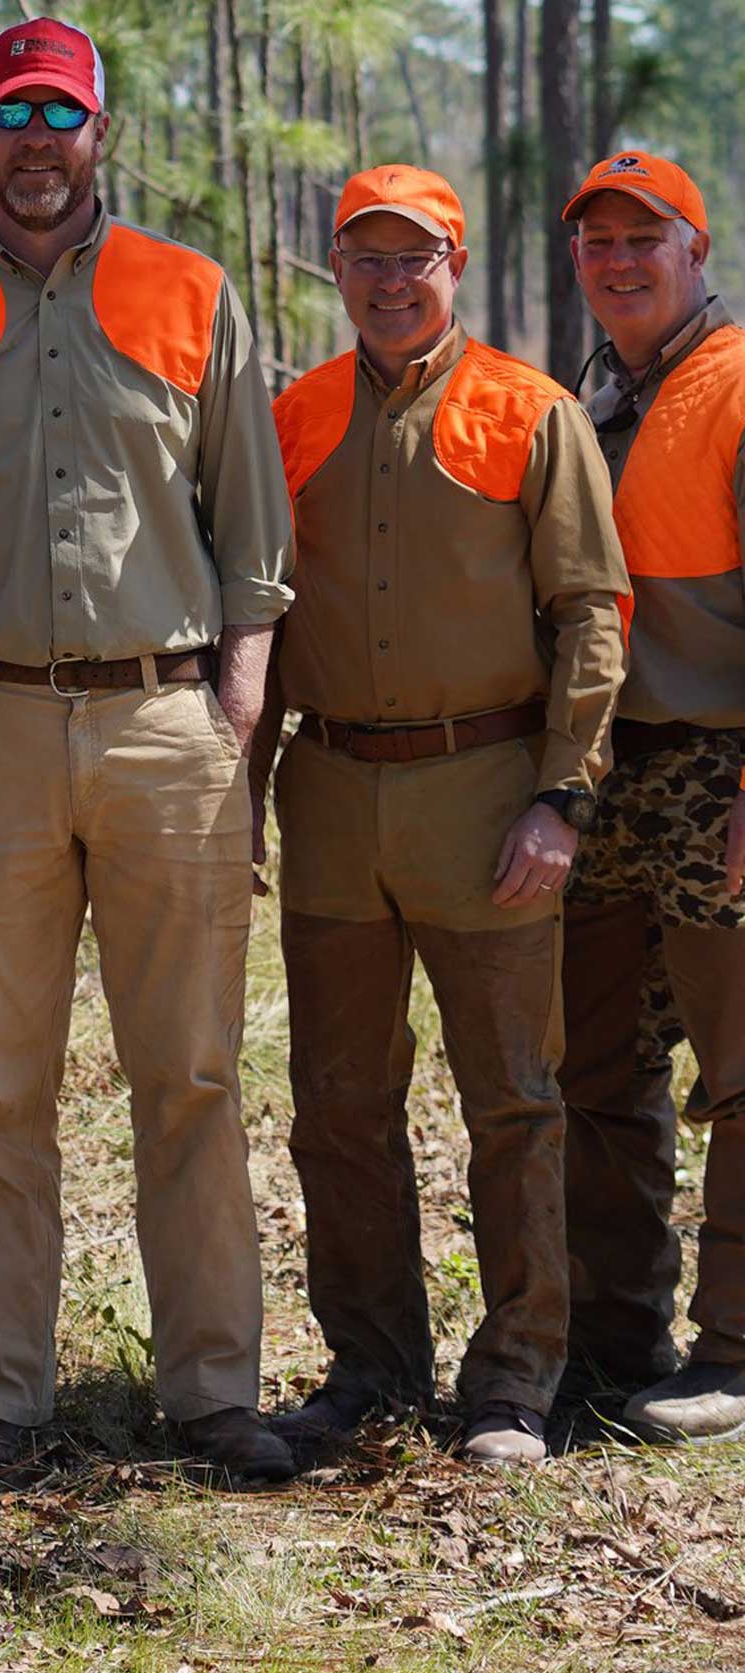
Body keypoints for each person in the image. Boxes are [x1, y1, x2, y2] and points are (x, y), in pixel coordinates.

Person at [0, 16, 296, 1483]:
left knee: (194, 1076)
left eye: (62, 117)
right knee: (1, 1087)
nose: (38, 145)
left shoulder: (188, 292)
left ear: (100, 132)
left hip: (170, 726)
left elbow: (256, 549)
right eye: (13, 117)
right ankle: (0, 1399)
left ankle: (215, 1390)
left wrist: (227, 723)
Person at [265, 166, 629, 1469]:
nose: (389, 280)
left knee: (515, 1100)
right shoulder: (293, 415)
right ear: (339, 271)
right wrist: (240, 797)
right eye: (365, 258)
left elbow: (593, 610)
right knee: (337, 1104)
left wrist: (559, 795)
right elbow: (256, 617)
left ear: (454, 265)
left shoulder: (530, 413)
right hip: (332, 796)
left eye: (413, 257)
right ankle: (368, 1366)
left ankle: (515, 1381)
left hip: (489, 797)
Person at [562, 149, 745, 1444]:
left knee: (742, 1073)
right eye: (600, 242)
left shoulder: (734, 385)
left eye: (648, 239)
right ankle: (621, 1340)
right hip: (606, 777)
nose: (621, 260)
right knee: (603, 1067)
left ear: (700, 253)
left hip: (719, 771)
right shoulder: (598, 394)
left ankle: (735, 1353)